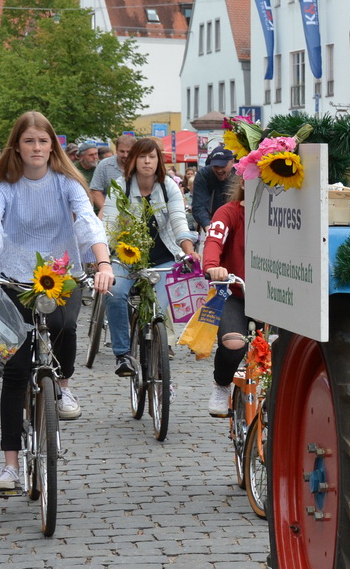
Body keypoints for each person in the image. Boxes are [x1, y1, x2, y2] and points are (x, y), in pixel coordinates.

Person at [0, 112, 113, 493]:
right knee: (14, 369)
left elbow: (87, 221)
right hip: (10, 278)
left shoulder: (67, 184)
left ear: (53, 146)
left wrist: (102, 262)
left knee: (65, 325)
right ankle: (10, 466)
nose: (36, 148)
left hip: (59, 275)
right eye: (29, 141)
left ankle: (63, 385)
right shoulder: (4, 187)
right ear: (17, 146)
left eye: (43, 141)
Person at [101, 136, 198, 378]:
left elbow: (178, 220)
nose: (147, 161)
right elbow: (109, 225)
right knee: (115, 293)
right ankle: (122, 353)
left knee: (158, 308)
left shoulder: (168, 187)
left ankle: (155, 345)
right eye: (142, 156)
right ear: (133, 160)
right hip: (127, 257)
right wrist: (106, 257)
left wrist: (190, 252)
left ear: (159, 161)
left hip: (163, 258)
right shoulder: (120, 186)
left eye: (152, 157)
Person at [202, 175, 248, 418]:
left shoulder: (283, 215)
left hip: (276, 298)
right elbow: (214, 240)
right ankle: (221, 385)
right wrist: (213, 266)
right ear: (243, 183)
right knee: (233, 343)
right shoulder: (228, 212)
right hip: (234, 292)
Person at [87, 134, 134, 214]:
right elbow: (95, 191)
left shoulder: (139, 165)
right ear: (116, 150)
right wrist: (109, 212)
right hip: (109, 212)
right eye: (122, 151)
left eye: (128, 152)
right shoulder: (104, 165)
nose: (125, 155)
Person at [192, 148, 235, 230]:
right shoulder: (203, 175)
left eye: (223, 166)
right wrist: (208, 226)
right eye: (215, 166)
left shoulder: (239, 173)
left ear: (232, 162)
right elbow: (199, 206)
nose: (219, 170)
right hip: (213, 222)